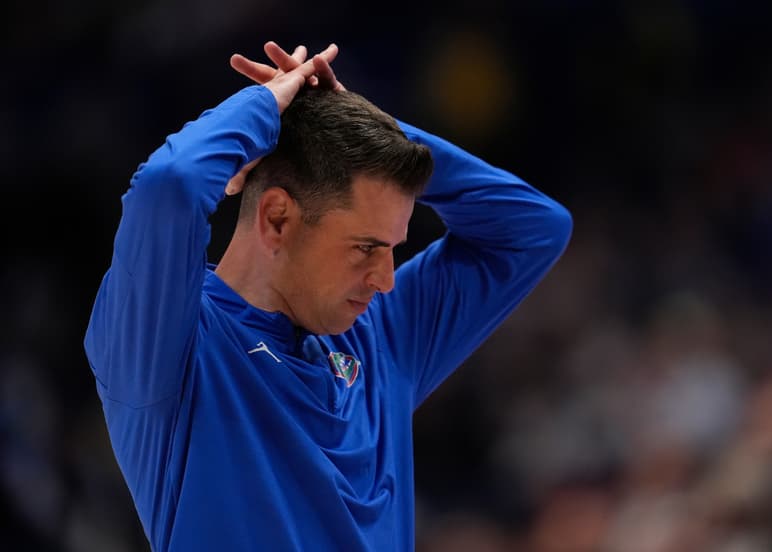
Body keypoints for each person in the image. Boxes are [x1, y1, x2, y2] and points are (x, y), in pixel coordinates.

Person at [83, 40, 573, 551]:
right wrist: (266, 108)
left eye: (392, 249)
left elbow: (534, 228)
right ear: (277, 219)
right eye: (365, 248)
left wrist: (350, 126)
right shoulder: (169, 349)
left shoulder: (380, 335)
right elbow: (170, 183)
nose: (386, 279)